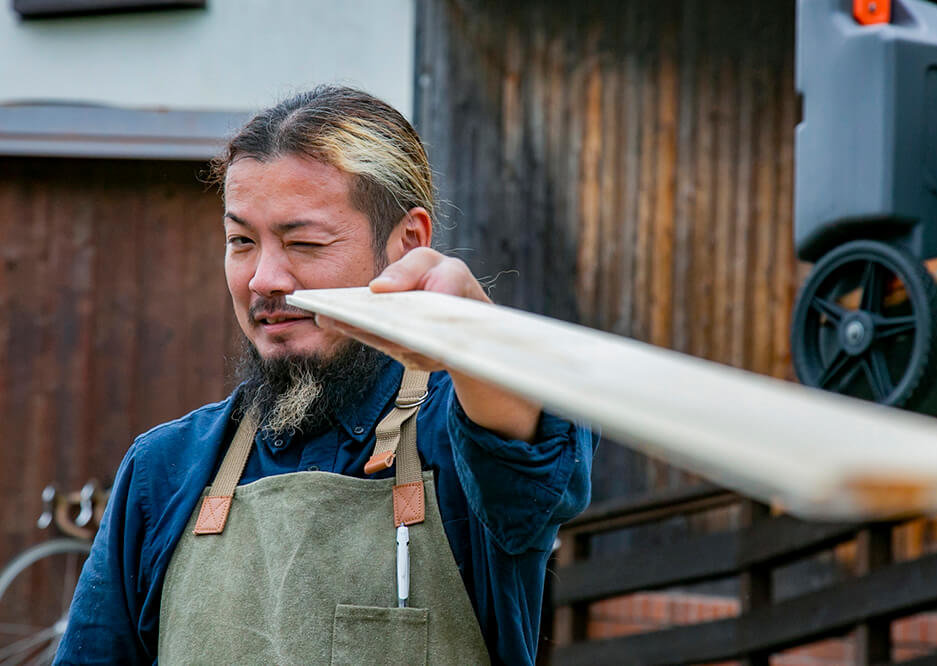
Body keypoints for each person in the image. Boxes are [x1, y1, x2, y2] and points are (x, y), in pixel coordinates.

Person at [54, 85, 594, 665]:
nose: (263, 278)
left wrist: (475, 334)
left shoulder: (461, 440)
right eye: (241, 241)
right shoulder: (163, 469)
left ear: (407, 242)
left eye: (303, 242)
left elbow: (523, 440)